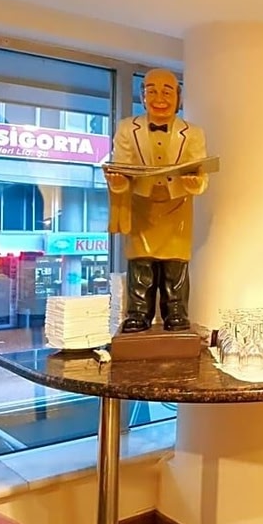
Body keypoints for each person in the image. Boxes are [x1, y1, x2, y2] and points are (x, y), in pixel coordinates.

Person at [105, 69, 209, 333]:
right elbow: (123, 167)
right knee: (141, 263)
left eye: (167, 92)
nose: (159, 98)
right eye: (151, 91)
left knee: (176, 264)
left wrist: (195, 182)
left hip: (178, 206)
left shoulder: (193, 133)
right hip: (142, 205)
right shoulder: (128, 128)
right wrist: (118, 181)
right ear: (142, 96)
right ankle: (138, 313)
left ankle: (176, 312)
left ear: (179, 97)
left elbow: (200, 171)